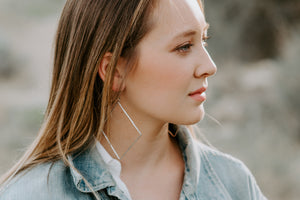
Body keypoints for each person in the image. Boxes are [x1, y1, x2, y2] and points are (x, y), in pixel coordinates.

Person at [0, 0, 267, 199]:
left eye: (204, 40)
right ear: (114, 70)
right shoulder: (29, 195)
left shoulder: (233, 184)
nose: (209, 66)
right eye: (184, 47)